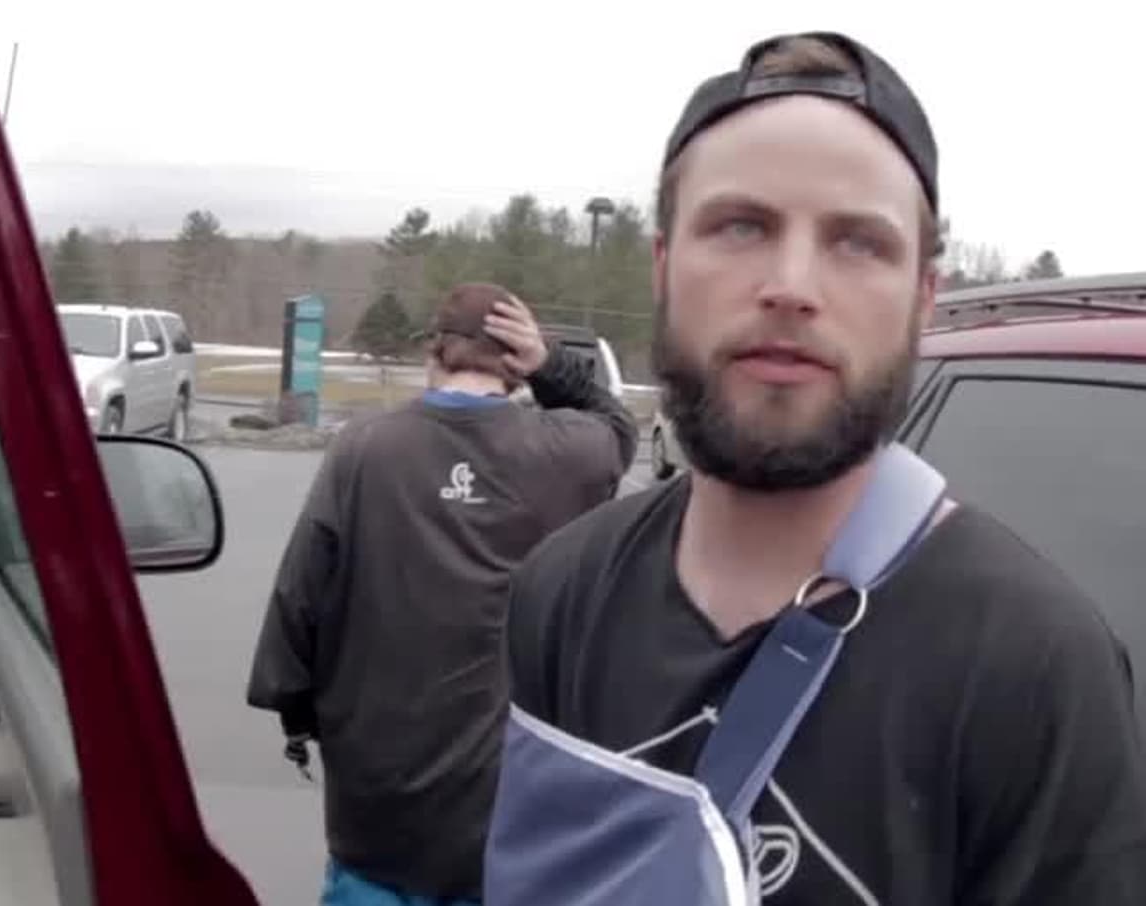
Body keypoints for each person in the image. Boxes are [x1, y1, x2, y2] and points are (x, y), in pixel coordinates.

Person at [490, 30, 1146, 904]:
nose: (792, 284)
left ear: (922, 297)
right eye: (741, 226)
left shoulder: (1038, 669)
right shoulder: (563, 591)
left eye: (859, 242)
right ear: (663, 266)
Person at [246, 282, 638, 905]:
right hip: (505, 816)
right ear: (513, 364)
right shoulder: (566, 453)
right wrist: (551, 366)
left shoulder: (365, 447)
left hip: (378, 811)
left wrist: (295, 706)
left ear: (434, 350)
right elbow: (616, 425)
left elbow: (302, 591)